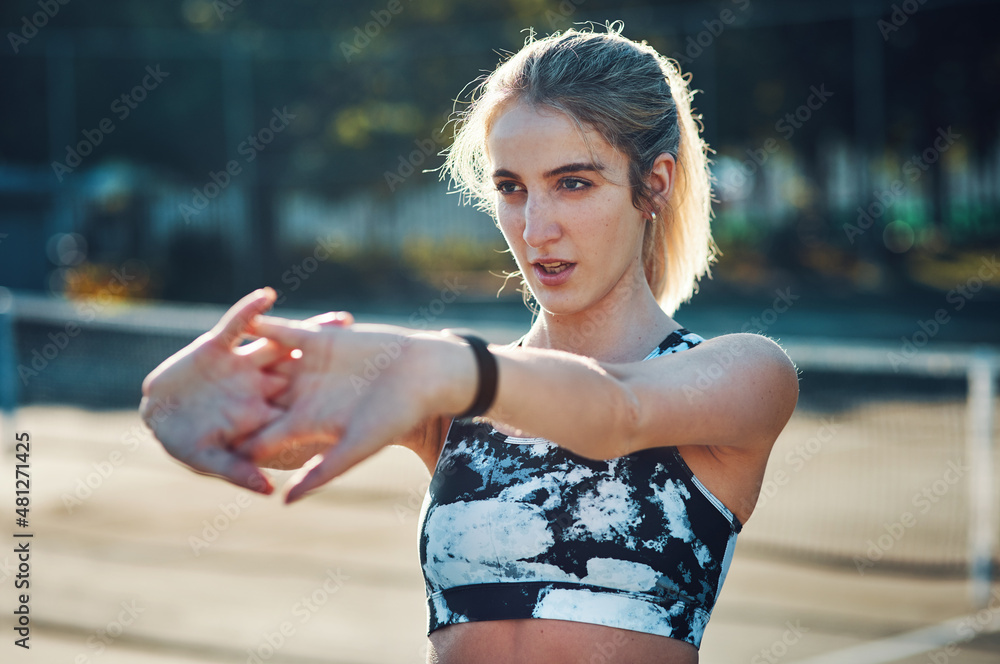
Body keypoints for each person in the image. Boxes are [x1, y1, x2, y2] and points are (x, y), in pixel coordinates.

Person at [140, 23, 798, 664]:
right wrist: (176, 401)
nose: (537, 229)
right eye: (511, 188)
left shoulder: (746, 375)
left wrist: (444, 369)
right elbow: (260, 433)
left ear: (653, 182)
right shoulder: (449, 392)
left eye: (574, 183)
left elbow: (617, 411)